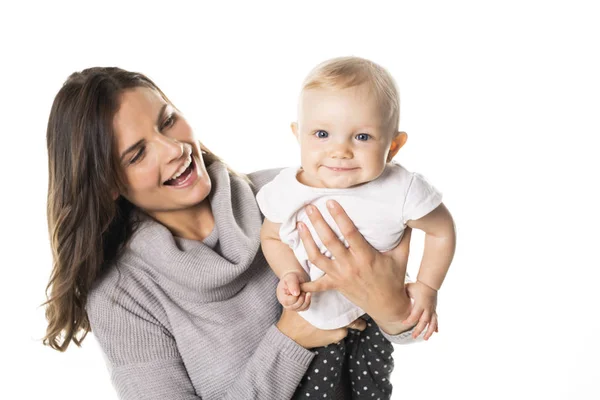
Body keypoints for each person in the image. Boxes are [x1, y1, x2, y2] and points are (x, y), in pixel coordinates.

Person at [42, 67, 419, 400]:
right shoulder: (123, 295)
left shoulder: (288, 194)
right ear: (107, 182)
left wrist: (394, 311)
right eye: (138, 154)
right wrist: (289, 340)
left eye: (168, 120)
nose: (174, 149)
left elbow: (405, 325)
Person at [257, 56, 456, 399]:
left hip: (369, 329)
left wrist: (427, 285)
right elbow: (272, 236)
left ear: (393, 145)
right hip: (308, 320)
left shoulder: (401, 190)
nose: (340, 151)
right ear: (298, 135)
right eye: (321, 134)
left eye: (362, 136)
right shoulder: (287, 188)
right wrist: (289, 273)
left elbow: (442, 230)